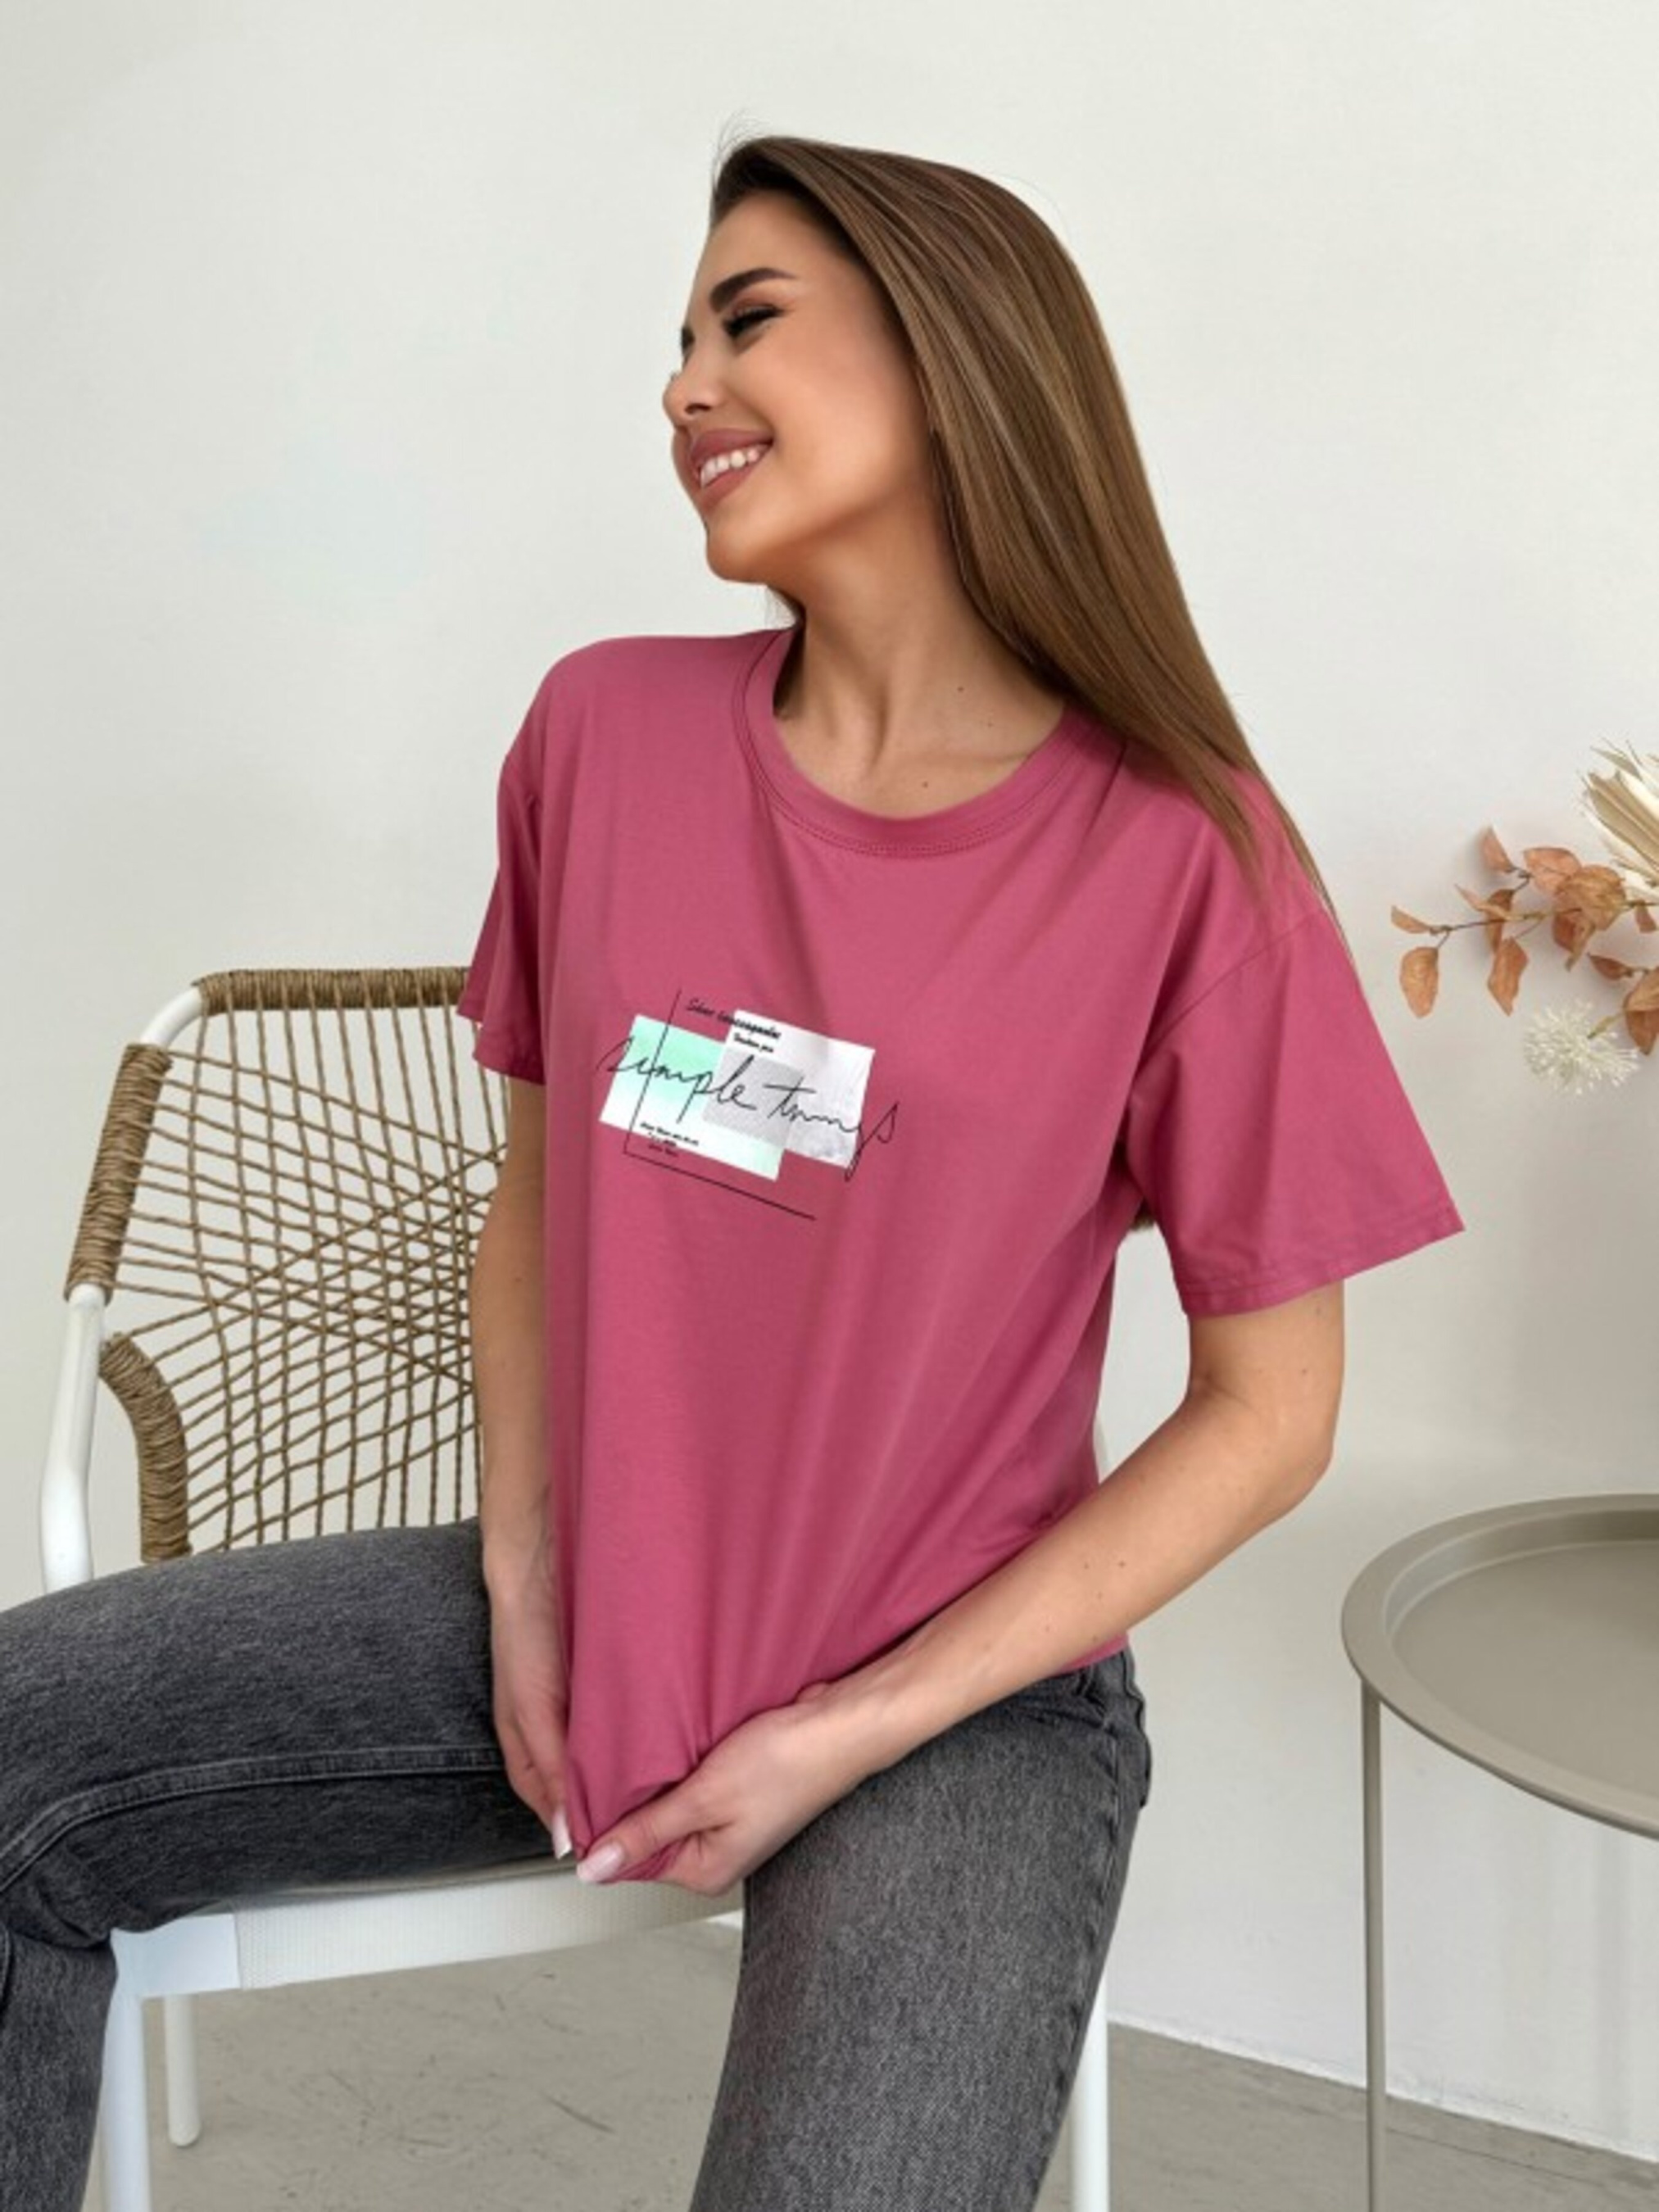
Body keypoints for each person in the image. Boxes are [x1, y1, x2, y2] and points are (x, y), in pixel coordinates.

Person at [1, 132, 1465, 2212]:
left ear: (952, 359)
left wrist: (854, 1725)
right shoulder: (598, 736)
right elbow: (534, 1207)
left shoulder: (1186, 854)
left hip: (959, 1702)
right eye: (677, 340)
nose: (683, 386)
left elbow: (1268, 1410)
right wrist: (525, 1582)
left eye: (746, 323)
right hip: (583, 1612)